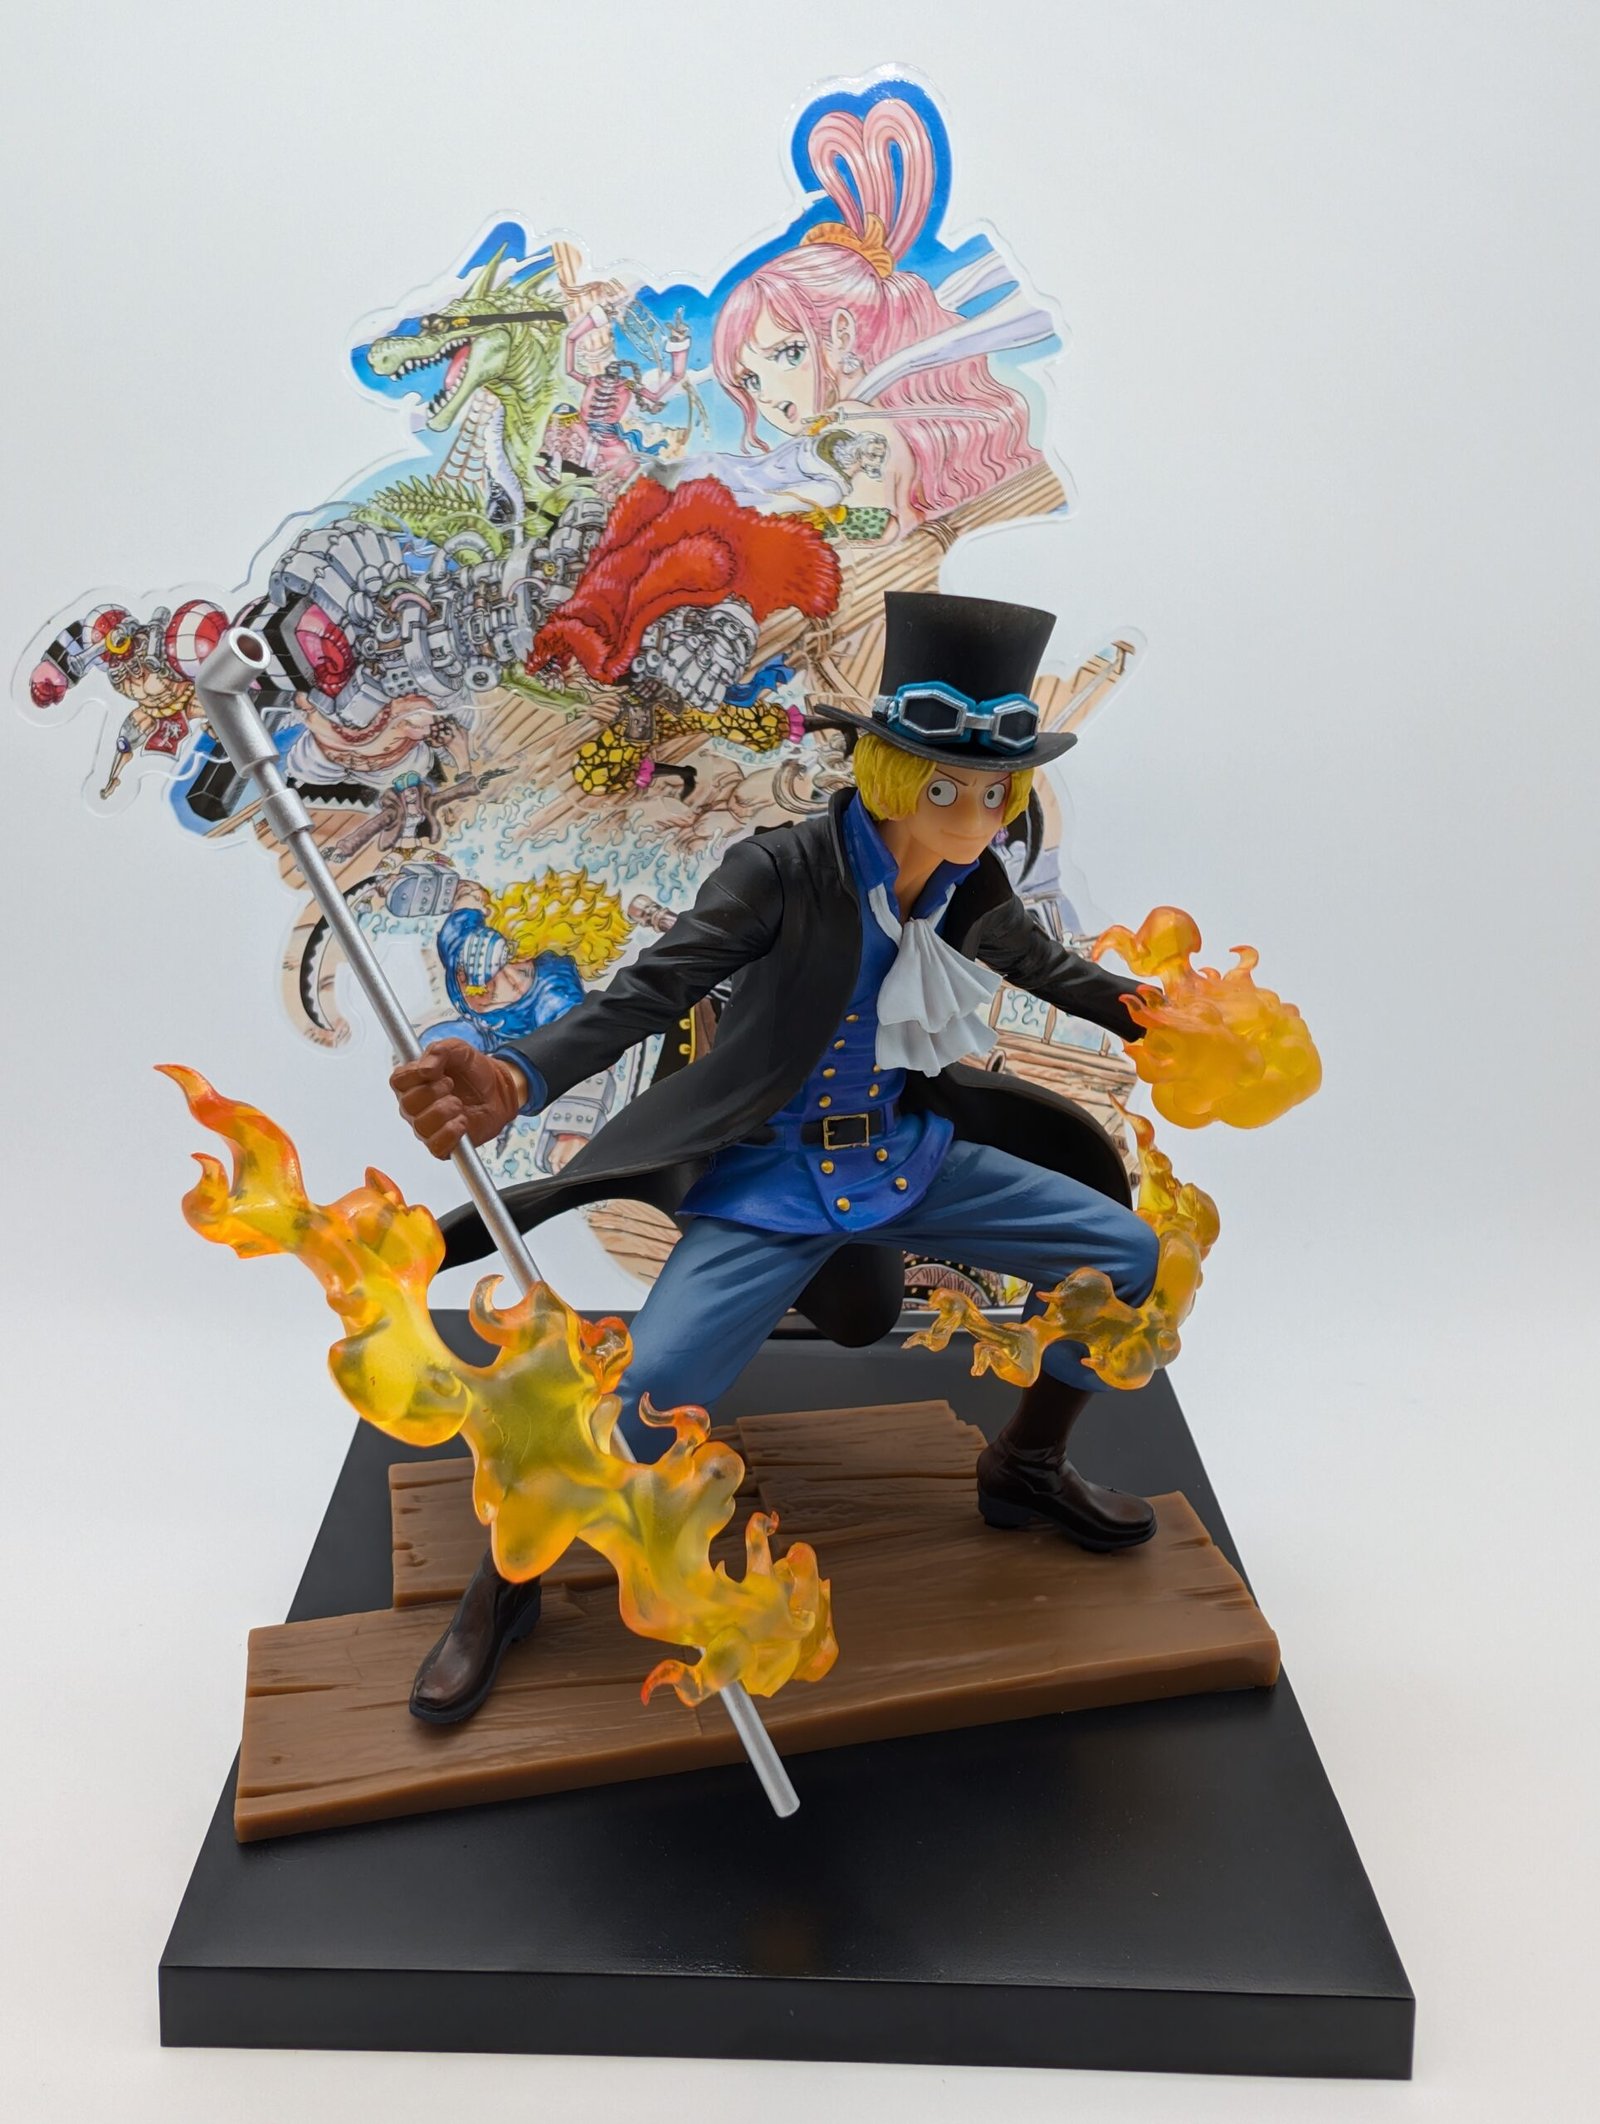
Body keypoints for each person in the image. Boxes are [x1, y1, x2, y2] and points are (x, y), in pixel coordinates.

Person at [391, 591, 1159, 1724]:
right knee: (643, 1400)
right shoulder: (780, 871)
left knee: (1126, 1259)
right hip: (772, 1183)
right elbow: (652, 989)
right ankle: (506, 1585)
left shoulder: (970, 881)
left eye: (997, 791)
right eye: (947, 786)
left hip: (905, 1160)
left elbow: (1048, 968)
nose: (977, 813)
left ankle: (1026, 1467)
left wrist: (1158, 1017)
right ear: (890, 770)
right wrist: (518, 1075)